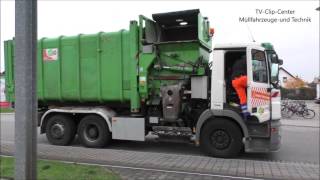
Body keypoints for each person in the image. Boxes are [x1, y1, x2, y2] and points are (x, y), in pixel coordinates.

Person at [231, 55, 250, 120]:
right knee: (254, 82)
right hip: (242, 79)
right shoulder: (246, 61)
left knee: (243, 98)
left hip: (234, 81)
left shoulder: (236, 62)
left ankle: (245, 114)